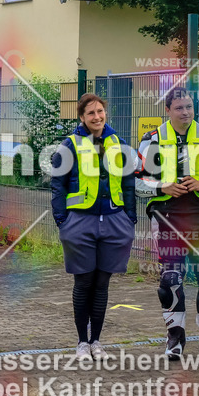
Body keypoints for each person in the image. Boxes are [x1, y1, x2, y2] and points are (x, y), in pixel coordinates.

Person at [136, 87, 199, 360]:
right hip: (166, 218)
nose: (185, 112)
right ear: (167, 110)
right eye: (179, 108)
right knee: (171, 279)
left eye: (189, 107)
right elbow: (134, 182)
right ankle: (174, 339)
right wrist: (161, 187)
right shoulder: (152, 140)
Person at [51, 93, 137, 359]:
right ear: (82, 117)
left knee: (102, 284)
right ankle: (81, 342)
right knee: (83, 282)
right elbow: (58, 185)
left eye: (100, 111)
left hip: (113, 221)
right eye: (91, 113)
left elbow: (129, 184)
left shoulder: (119, 144)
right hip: (80, 223)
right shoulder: (69, 145)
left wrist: (130, 219)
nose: (97, 117)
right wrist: (62, 221)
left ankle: (96, 341)